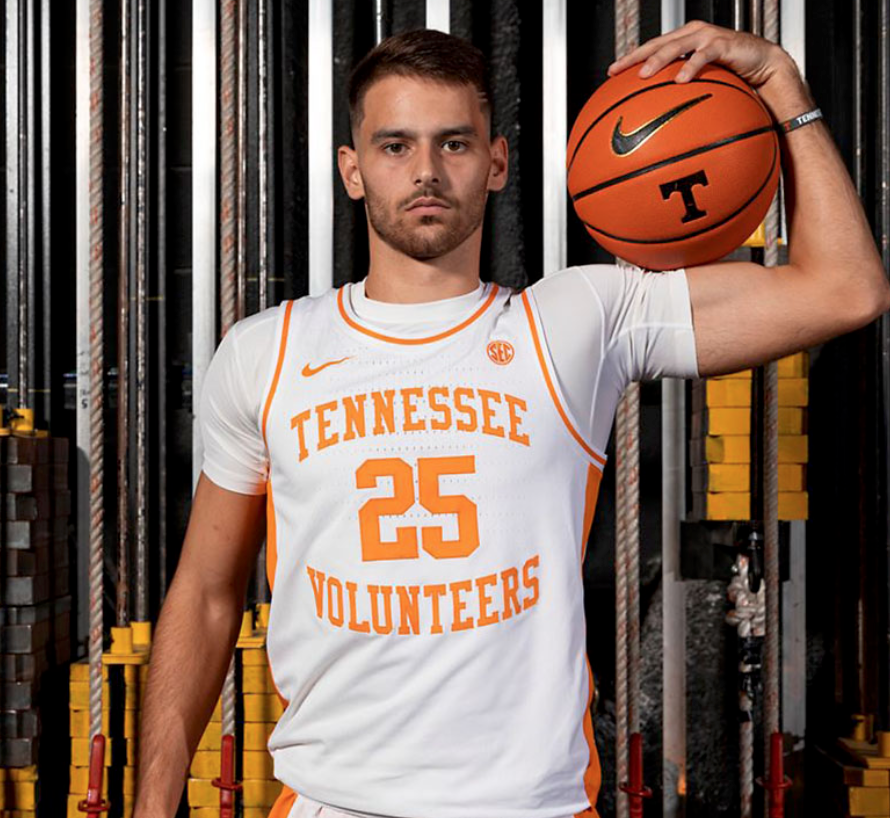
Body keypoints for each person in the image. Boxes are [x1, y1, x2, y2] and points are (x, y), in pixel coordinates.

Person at [133, 20, 890, 818]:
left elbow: (847, 289)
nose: (426, 170)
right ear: (352, 172)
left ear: (496, 163)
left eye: (454, 143)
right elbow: (207, 594)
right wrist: (153, 805)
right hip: (333, 801)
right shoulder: (267, 352)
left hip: (531, 805)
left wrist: (780, 83)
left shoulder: (574, 321)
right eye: (395, 146)